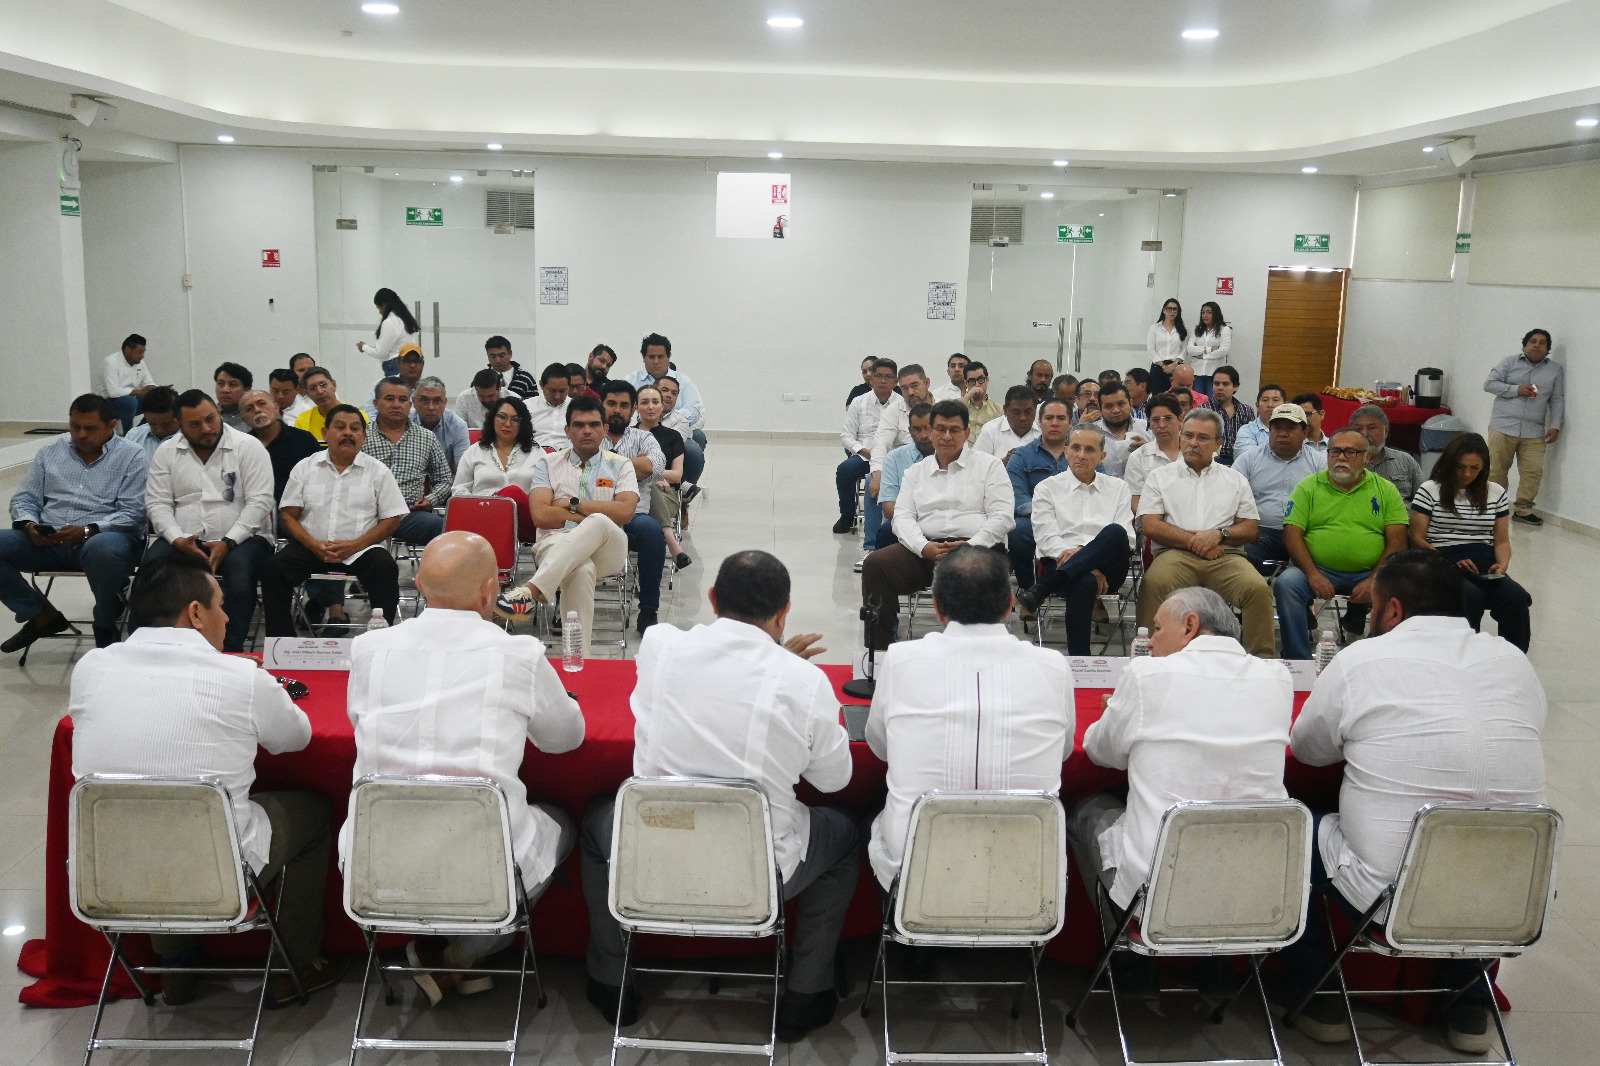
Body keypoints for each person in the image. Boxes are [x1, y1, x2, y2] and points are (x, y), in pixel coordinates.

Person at [579, 550, 853, 1042]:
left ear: (710, 598)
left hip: (650, 864)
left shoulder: (660, 646)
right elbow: (835, 781)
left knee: (598, 823)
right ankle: (807, 993)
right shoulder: (806, 682)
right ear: (785, 612)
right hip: (761, 876)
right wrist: (786, 669)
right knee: (846, 835)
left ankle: (610, 982)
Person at [1283, 549, 1546, 1053]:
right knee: (1479, 842)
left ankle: (1316, 991)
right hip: (1516, 896)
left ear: (1393, 610)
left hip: (1392, 899)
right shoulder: (1512, 659)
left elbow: (1308, 752)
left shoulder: (1361, 660)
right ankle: (1467, 1000)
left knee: (1295, 823)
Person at [70, 554, 344, 1007]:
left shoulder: (91, 668)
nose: (229, 617)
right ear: (196, 613)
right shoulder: (240, 677)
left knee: (149, 819)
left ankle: (175, 966)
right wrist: (266, 689)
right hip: (218, 872)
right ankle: (293, 966)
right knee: (312, 812)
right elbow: (295, 739)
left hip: (108, 872)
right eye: (221, 604)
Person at [341, 531, 584, 1005]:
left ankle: (447, 957)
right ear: (490, 591)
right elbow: (565, 739)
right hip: (488, 872)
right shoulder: (518, 654)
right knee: (563, 823)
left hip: (376, 866)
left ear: (419, 587)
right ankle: (459, 956)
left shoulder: (369, 650)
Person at [1072, 586, 1291, 996]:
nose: (1151, 642)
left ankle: (1128, 958)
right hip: (1254, 891)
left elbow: (1101, 753)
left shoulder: (1146, 675)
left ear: (1190, 625)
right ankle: (1218, 964)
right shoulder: (1278, 678)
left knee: (1086, 809)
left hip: (1159, 893)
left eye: (1157, 629)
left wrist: (1114, 717)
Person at [866, 545, 1070, 890]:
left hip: (917, 873)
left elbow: (880, 747)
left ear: (937, 607)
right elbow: (1063, 752)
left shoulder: (900, 661)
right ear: (1010, 604)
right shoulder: (1054, 667)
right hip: (1026, 875)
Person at [859, 401, 1013, 650]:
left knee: (973, 571)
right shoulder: (915, 472)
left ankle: (977, 649)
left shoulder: (990, 466)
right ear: (930, 432)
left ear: (967, 433)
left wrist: (971, 546)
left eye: (954, 430)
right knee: (876, 565)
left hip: (978, 549)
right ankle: (880, 651)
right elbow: (902, 517)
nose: (947, 436)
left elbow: (1003, 516)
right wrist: (922, 547)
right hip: (927, 550)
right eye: (940, 429)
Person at [0, 394, 146, 653]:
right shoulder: (50, 452)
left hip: (104, 540)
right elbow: (24, 499)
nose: (80, 434)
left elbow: (133, 512)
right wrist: (29, 526)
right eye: (75, 426)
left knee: (102, 549)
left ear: (111, 425)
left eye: (90, 428)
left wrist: (89, 530)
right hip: (49, 541)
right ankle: (40, 614)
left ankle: (104, 623)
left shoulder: (132, 456)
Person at [493, 395, 633, 648]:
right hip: (554, 542)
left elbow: (624, 512)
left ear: (605, 429)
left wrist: (571, 503)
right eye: (579, 425)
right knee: (581, 569)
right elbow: (541, 515)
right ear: (567, 430)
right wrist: (596, 511)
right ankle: (579, 660)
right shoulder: (548, 463)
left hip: (608, 548)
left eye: (593, 424)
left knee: (599, 522)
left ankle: (532, 590)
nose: (587, 430)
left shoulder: (621, 465)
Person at [142, 390, 275, 654]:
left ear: (218, 411)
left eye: (210, 419)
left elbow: (260, 501)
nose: (206, 428)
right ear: (180, 424)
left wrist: (228, 542)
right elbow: (157, 504)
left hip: (245, 540)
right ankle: (153, 649)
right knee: (151, 569)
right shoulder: (167, 451)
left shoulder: (248, 446)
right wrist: (177, 539)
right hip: (184, 539)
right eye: (194, 424)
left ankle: (229, 651)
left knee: (239, 573)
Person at [1136, 408, 1275, 657]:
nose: (1193, 443)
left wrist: (1219, 535)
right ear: (1180, 437)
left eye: (1202, 438)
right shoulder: (1159, 477)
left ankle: (1261, 662)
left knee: (1257, 589)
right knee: (1154, 583)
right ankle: (1149, 659)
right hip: (1174, 555)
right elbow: (1151, 525)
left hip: (1225, 556)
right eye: (1188, 435)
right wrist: (1197, 541)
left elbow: (1250, 527)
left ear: (1219, 443)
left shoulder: (1235, 479)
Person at [263, 405, 406, 635]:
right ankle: (282, 642)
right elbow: (288, 515)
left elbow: (392, 519)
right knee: (273, 569)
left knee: (385, 568)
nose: (348, 433)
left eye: (355, 428)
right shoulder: (305, 467)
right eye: (340, 427)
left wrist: (354, 545)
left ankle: (381, 638)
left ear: (363, 436)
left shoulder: (378, 471)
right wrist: (313, 544)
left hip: (361, 550)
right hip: (312, 547)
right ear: (325, 433)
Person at [1274, 427, 1409, 659]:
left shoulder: (1386, 490)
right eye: (1335, 452)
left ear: (1367, 457)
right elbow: (1292, 535)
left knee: (1403, 586)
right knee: (1287, 583)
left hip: (1371, 572)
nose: (1341, 458)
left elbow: (1397, 542)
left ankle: (1377, 657)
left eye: (1350, 452)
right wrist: (1313, 575)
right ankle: (1299, 661)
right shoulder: (1308, 487)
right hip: (1317, 570)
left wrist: (1374, 579)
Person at [1015, 426, 1135, 653]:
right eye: (1076, 448)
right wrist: (1086, 564)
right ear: (1066, 451)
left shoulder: (1118, 488)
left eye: (1089, 450)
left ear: (1102, 456)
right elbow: (1046, 538)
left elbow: (1127, 538)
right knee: (1085, 582)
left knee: (1115, 532)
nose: (1081, 455)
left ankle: (1042, 589)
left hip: (1108, 569)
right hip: (1058, 561)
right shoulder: (1047, 488)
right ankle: (1081, 660)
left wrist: (1082, 554)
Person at [1409, 432, 1531, 651]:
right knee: (1469, 597)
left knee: (1516, 598)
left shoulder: (1496, 492)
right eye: (1460, 467)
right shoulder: (1430, 490)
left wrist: (1502, 565)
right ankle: (1464, 655)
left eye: (1475, 468)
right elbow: (1417, 537)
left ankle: (1514, 657)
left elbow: (1501, 541)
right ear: (1450, 464)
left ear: (1484, 467)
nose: (1467, 474)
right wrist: (1448, 563)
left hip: (1483, 564)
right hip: (1441, 561)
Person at [595, 382, 669, 633]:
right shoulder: (589, 433)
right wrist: (631, 466)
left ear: (633, 409)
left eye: (624, 405)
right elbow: (576, 465)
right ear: (601, 405)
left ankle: (648, 610)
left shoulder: (643, 437)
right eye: (611, 404)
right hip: (591, 514)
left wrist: (602, 465)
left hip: (633, 518)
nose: (617, 410)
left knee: (652, 532)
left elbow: (654, 467)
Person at [1484, 328, 1564, 525]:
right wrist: (1516, 389)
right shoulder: (1509, 362)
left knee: (1533, 472)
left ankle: (1523, 510)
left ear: (1547, 348)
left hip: (1534, 431)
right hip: (1503, 427)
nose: (1537, 345)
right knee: (1496, 470)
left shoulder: (1555, 370)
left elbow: (1557, 399)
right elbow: (1489, 384)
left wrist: (1555, 425)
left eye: (1542, 343)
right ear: (1525, 344)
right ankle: (1494, 508)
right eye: (1533, 341)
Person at [1232, 403, 1324, 572]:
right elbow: (1230, 496)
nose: (1282, 433)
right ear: (1269, 430)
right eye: (1277, 428)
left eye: (1290, 428)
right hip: (1260, 533)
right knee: (1239, 556)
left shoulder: (1319, 462)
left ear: (1305, 432)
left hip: (1305, 534)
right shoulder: (1249, 459)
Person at [362, 378, 452, 546]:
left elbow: (444, 480)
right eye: (390, 399)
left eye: (402, 399)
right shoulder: (361, 436)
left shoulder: (426, 438)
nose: (396, 405)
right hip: (367, 514)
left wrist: (430, 500)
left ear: (410, 405)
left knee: (442, 527)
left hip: (408, 515)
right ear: (376, 403)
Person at [452, 396, 544, 539]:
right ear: (492, 419)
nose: (507, 424)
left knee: (513, 492)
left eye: (515, 419)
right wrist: (483, 504)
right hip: (482, 513)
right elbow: (459, 490)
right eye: (502, 417)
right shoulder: (474, 451)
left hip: (524, 519)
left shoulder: (536, 452)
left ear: (523, 423)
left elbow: (546, 490)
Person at [1004, 398, 1073, 590]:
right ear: (1039, 422)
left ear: (1070, 422)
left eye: (1061, 418)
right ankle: (1030, 590)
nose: (1054, 423)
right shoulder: (1021, 456)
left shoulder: (1085, 454)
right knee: (1017, 530)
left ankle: (1087, 589)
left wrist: (1067, 516)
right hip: (1034, 519)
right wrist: (1047, 515)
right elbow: (1017, 496)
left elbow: (1101, 487)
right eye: (1049, 418)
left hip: (1078, 517)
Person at [624, 333, 707, 473]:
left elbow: (694, 410)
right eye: (651, 357)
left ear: (668, 357)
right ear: (644, 358)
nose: (656, 361)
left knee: (693, 450)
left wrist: (663, 420)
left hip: (676, 430)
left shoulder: (683, 381)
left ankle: (682, 484)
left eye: (661, 357)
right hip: (637, 432)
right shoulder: (631, 381)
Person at [834, 358, 899, 537]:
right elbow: (846, 436)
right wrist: (865, 452)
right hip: (866, 455)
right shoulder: (858, 402)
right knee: (845, 470)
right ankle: (847, 515)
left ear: (896, 381)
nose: (883, 381)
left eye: (888, 377)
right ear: (872, 378)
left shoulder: (902, 404)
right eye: (878, 376)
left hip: (892, 456)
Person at [636, 384, 691, 569]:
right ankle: (672, 542)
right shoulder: (629, 435)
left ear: (662, 406)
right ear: (636, 407)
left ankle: (669, 542)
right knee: (647, 484)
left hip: (667, 495)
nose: (650, 407)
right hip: (633, 494)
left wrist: (648, 471)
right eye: (645, 402)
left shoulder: (673, 436)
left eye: (655, 402)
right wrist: (651, 475)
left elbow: (676, 476)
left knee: (649, 485)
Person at [873, 403, 937, 552]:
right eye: (917, 429)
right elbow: (889, 508)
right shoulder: (894, 458)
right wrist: (918, 524)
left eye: (928, 428)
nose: (923, 435)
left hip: (940, 523)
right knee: (886, 531)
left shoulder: (949, 456)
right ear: (910, 431)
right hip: (905, 521)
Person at [241, 390, 323, 503]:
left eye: (262, 404)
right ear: (244, 420)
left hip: (299, 507)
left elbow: (321, 476)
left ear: (276, 408)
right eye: (249, 408)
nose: (257, 410)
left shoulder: (303, 439)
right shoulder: (243, 446)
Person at [1347, 403, 1422, 502]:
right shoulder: (1344, 462)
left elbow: (1425, 500)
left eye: (1371, 428)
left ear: (1386, 431)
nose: (1364, 433)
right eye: (1358, 429)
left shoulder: (1405, 461)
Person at [1125, 393, 1182, 513]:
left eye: (1168, 418)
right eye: (1155, 420)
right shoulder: (1138, 457)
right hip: (1153, 518)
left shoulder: (1194, 451)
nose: (1161, 425)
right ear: (1149, 423)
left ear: (1180, 419)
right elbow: (1135, 501)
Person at [355, 287, 422, 376]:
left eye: (378, 308)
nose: (379, 312)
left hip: (395, 367)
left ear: (384, 305)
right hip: (411, 364)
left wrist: (364, 347)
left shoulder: (390, 322)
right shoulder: (407, 320)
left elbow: (380, 353)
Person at [102, 333, 160, 432]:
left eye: (143, 352)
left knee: (156, 399)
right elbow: (113, 392)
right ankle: (128, 434)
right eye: (139, 353)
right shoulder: (111, 362)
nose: (142, 356)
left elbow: (149, 382)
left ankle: (139, 432)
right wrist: (141, 392)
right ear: (128, 349)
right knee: (130, 402)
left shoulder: (140, 363)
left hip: (130, 404)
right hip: (107, 405)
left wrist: (155, 390)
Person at [654, 374, 704, 489]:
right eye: (664, 390)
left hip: (663, 471)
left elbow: (668, 448)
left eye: (674, 393)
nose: (669, 395)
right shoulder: (636, 415)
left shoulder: (681, 421)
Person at [410, 376, 470, 471]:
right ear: (414, 402)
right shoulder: (404, 422)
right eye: (424, 401)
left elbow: (462, 472)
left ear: (445, 403)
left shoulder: (458, 426)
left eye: (437, 401)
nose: (431, 407)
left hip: (447, 479)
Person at [1091, 381, 1148, 479]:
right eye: (1109, 406)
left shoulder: (1148, 428)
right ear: (1100, 409)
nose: (1116, 410)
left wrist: (1149, 450)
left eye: (1121, 404)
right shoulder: (1091, 434)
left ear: (1130, 404)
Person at [974, 385, 1041, 463]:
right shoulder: (990, 430)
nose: (1022, 418)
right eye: (1016, 412)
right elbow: (975, 464)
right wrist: (1002, 463)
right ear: (1005, 410)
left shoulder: (1043, 430)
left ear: (1035, 409)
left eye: (1028, 412)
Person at [1199, 366, 1250, 464]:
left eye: (1225, 384)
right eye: (1216, 384)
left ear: (1235, 387)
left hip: (1241, 461)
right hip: (1212, 461)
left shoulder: (1245, 410)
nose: (1220, 388)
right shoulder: (1203, 411)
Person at [364, 343, 427, 417]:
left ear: (422, 364)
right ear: (398, 363)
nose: (412, 365)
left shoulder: (428, 390)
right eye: (407, 360)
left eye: (416, 361)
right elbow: (370, 414)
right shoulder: (381, 385)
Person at [1184, 301, 1232, 395]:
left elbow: (1223, 350)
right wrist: (1209, 349)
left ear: (1215, 314)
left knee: (1212, 401)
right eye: (1203, 312)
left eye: (1209, 312)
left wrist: (1203, 356)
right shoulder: (1197, 329)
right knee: (1198, 401)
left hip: (1215, 373)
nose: (1205, 315)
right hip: (1197, 372)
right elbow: (1190, 349)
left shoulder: (1224, 330)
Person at [123, 385, 181, 460]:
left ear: (179, 416)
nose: (159, 430)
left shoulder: (191, 439)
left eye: (165, 424)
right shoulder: (133, 436)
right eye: (152, 423)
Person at [1232, 383, 1286, 457]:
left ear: (1285, 405)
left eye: (1275, 400)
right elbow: (1248, 460)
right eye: (1265, 400)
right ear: (1257, 405)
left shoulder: (1293, 430)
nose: (1270, 405)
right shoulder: (1247, 430)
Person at [526, 362, 572, 449]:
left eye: (562, 391)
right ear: (541, 385)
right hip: (534, 453)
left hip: (568, 454)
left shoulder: (577, 408)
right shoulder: (527, 407)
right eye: (552, 391)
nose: (557, 396)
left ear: (569, 387)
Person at [1145, 298, 1187, 393]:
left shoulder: (1182, 329)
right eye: (1169, 309)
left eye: (1175, 309)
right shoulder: (1155, 328)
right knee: (1158, 397)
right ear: (1164, 310)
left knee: (1175, 396)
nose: (1172, 312)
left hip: (1176, 368)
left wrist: (1174, 364)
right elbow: (1151, 349)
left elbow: (1184, 350)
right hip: (1158, 368)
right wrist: (1163, 366)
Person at [293, 366, 343, 443]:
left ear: (334, 384)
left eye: (323, 385)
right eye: (312, 388)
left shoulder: (357, 416)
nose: (319, 391)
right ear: (307, 393)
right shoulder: (303, 421)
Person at [962, 361, 1002, 435]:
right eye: (972, 381)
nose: (977, 385)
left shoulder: (999, 410)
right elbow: (950, 416)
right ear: (966, 383)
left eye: (980, 379)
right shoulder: (958, 404)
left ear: (987, 380)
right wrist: (968, 396)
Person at [213, 361, 252, 431]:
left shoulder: (254, 415)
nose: (225, 390)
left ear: (247, 390)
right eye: (220, 383)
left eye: (232, 384)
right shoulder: (209, 415)